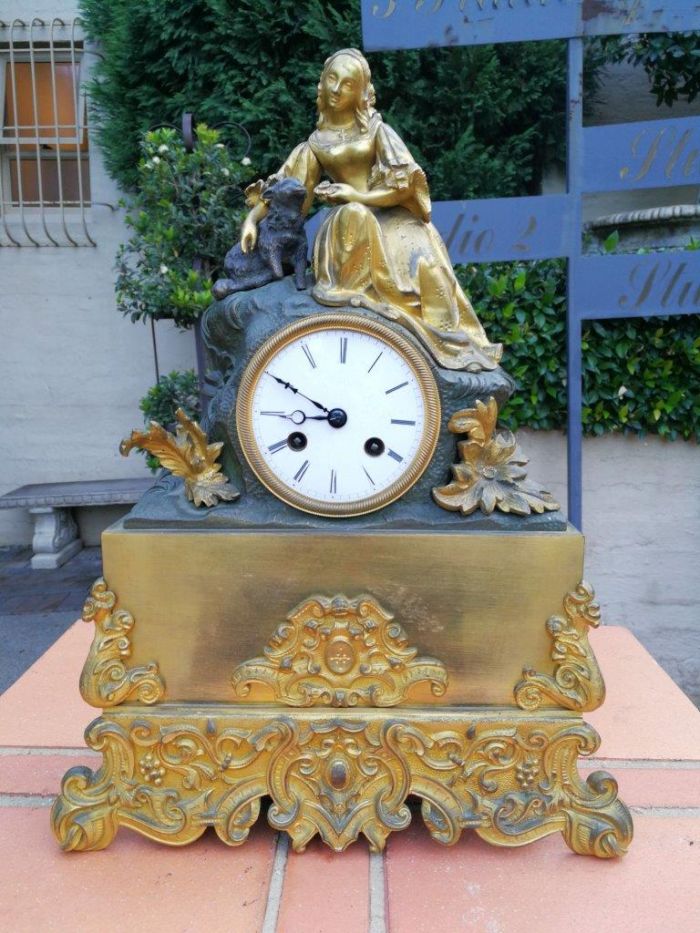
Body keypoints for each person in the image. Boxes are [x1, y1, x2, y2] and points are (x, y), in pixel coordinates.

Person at [240, 48, 502, 372]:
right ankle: (361, 297)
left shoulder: (378, 132)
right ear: (322, 83)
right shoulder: (314, 145)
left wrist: (357, 194)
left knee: (425, 256)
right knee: (356, 215)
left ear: (361, 93)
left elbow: (406, 184)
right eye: (332, 79)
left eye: (347, 84)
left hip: (390, 215)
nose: (336, 89)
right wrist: (252, 220)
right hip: (347, 223)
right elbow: (287, 190)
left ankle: (448, 345)